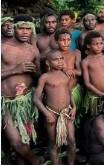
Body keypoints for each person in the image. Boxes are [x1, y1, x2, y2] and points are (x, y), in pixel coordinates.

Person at [1, 17, 42, 165]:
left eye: (28, 29)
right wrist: (14, 70)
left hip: (27, 102)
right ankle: (36, 160)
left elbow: (38, 76)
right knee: (16, 141)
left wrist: (36, 71)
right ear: (14, 27)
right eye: (21, 28)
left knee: (25, 141)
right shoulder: (2, 47)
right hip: (6, 103)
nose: (25, 32)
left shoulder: (33, 50)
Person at [33, 50, 76, 165]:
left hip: (66, 113)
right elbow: (36, 99)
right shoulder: (45, 77)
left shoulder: (65, 75)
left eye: (61, 58)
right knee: (54, 143)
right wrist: (47, 114)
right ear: (48, 63)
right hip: (52, 114)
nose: (60, 61)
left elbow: (69, 93)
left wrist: (74, 107)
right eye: (56, 59)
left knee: (72, 141)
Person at [81, 31, 104, 117]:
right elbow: (87, 83)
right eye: (95, 44)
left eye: (101, 43)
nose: (99, 46)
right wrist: (101, 94)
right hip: (94, 96)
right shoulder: (85, 61)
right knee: (94, 116)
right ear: (88, 46)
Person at [55, 28, 83, 123]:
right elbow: (49, 74)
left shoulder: (76, 53)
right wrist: (63, 68)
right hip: (59, 93)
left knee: (74, 119)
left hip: (73, 90)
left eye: (68, 40)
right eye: (62, 40)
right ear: (56, 41)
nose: (66, 42)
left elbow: (80, 72)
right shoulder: (53, 55)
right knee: (61, 120)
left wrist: (70, 70)